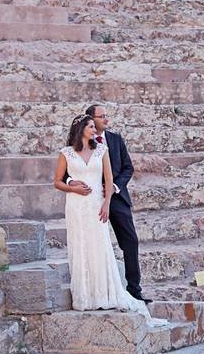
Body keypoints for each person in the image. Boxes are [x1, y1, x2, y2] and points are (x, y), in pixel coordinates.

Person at [53, 114, 163, 324]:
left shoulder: (103, 150)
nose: (95, 130)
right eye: (92, 126)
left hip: (97, 203)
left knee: (100, 246)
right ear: (82, 128)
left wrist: (106, 204)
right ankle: (85, 296)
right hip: (76, 205)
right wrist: (72, 186)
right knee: (80, 246)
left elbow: (110, 178)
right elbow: (57, 181)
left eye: (96, 126)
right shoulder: (66, 153)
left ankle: (108, 293)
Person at [66, 104, 149, 303]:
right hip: (89, 201)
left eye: (107, 116)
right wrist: (71, 182)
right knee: (93, 244)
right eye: (101, 116)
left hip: (117, 199)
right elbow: (68, 169)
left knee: (130, 241)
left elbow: (128, 168)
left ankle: (134, 290)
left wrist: (114, 187)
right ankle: (94, 290)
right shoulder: (78, 143)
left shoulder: (115, 140)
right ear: (90, 119)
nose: (106, 120)